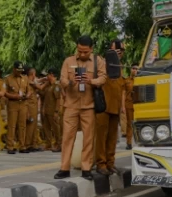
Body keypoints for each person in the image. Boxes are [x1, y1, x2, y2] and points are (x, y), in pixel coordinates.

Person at [54, 35, 107, 181]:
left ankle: (86, 168)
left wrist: (91, 81)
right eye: (80, 51)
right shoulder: (68, 61)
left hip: (89, 106)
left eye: (85, 52)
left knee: (88, 138)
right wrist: (71, 82)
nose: (82, 54)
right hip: (71, 105)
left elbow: (103, 78)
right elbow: (62, 80)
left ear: (91, 49)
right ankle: (64, 168)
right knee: (67, 138)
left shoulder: (98, 61)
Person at [95, 39, 126, 176]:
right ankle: (100, 164)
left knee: (113, 137)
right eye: (115, 50)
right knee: (101, 136)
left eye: (121, 50)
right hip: (103, 105)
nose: (119, 52)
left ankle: (110, 163)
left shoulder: (120, 66)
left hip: (115, 105)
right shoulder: (102, 62)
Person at [4, 61, 32, 154]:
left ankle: (22, 146)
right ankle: (10, 146)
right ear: (14, 69)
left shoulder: (25, 78)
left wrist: (27, 95)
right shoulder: (8, 79)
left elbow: (29, 90)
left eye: (21, 70)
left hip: (23, 104)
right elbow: (5, 92)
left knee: (22, 126)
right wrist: (14, 96)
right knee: (12, 126)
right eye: (18, 70)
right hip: (13, 104)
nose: (19, 72)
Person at [41, 68, 62, 153]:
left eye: (48, 75)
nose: (47, 76)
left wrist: (56, 112)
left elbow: (58, 99)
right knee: (46, 128)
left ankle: (58, 144)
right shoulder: (48, 85)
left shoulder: (57, 86)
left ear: (52, 75)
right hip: (46, 110)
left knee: (56, 128)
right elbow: (44, 96)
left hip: (53, 111)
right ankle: (48, 143)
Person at [24, 67, 43, 152]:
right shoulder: (27, 82)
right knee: (30, 127)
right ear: (33, 74)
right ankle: (27, 145)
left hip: (34, 107)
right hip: (29, 107)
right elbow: (40, 87)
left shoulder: (32, 82)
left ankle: (34, 144)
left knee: (34, 127)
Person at [124, 65, 138, 150]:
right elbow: (123, 93)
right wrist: (122, 106)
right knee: (129, 124)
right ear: (130, 70)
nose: (135, 70)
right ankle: (129, 143)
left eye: (136, 69)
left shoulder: (141, 80)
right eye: (133, 68)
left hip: (139, 105)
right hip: (129, 104)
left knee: (138, 123)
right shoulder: (127, 81)